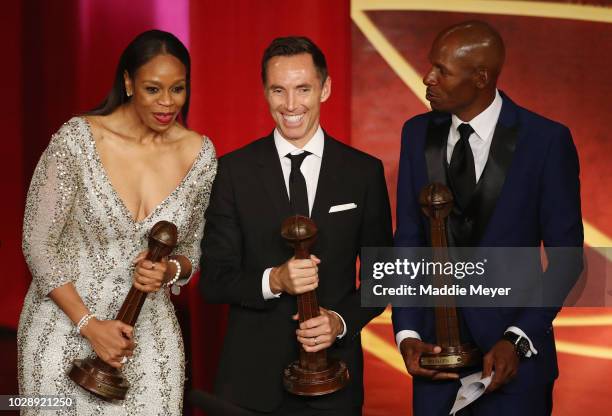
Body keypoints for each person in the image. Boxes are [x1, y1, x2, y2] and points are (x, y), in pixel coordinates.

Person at [18, 30, 217, 415]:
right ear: (128, 82)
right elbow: (37, 244)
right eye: (153, 89)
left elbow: (192, 251)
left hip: (147, 339)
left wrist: (169, 270)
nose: (167, 103)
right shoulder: (77, 140)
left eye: (177, 89)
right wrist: (89, 325)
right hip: (62, 328)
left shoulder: (200, 154)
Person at [392, 21, 583, 415]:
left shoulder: (546, 141)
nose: (427, 78)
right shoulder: (415, 133)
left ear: (480, 78)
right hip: (434, 365)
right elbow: (408, 240)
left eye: (441, 70)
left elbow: (567, 258)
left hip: (513, 368)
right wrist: (407, 332)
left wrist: (518, 339)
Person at [199, 36, 392, 415]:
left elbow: (382, 276)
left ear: (325, 88)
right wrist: (275, 281)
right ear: (265, 92)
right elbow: (214, 280)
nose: (290, 105)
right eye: (278, 90)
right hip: (250, 384)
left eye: (303, 89)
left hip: (334, 383)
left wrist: (338, 322)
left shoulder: (364, 172)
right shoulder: (232, 171)